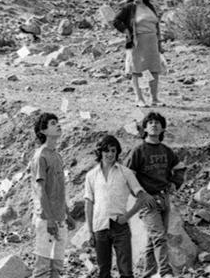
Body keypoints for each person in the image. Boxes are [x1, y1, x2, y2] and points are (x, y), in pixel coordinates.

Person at [125, 113, 185, 278]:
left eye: (158, 123)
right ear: (144, 128)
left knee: (154, 240)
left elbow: (180, 167)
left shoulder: (166, 151)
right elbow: (128, 176)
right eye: (150, 122)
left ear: (163, 128)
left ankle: (148, 273)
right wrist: (141, 195)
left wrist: (174, 183)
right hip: (147, 201)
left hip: (164, 198)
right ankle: (165, 272)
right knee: (159, 236)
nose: (154, 125)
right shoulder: (138, 151)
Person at [85, 134, 154, 278]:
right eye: (106, 150)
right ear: (100, 152)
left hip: (120, 227)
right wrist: (90, 231)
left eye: (113, 151)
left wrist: (127, 216)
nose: (110, 154)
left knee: (126, 272)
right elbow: (89, 204)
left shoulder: (126, 172)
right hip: (100, 227)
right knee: (103, 272)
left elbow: (141, 197)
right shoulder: (91, 176)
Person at [30, 112, 76, 278]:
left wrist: (67, 214)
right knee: (43, 267)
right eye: (52, 123)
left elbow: (58, 188)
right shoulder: (40, 156)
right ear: (43, 130)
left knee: (57, 266)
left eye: (57, 122)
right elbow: (40, 190)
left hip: (59, 218)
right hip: (45, 219)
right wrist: (49, 218)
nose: (58, 125)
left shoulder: (57, 155)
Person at [113, 0, 165, 107]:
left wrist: (159, 43)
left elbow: (156, 25)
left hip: (152, 41)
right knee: (137, 70)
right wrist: (127, 32)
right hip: (138, 42)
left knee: (153, 70)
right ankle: (139, 98)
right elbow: (116, 21)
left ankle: (154, 98)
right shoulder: (129, 7)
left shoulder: (149, 6)